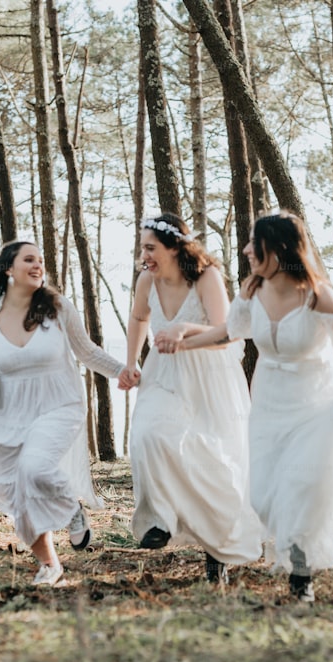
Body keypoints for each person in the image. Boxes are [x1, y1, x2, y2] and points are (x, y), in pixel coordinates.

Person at [157, 211, 333, 602]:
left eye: (254, 243)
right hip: (270, 401)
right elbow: (228, 332)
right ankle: (295, 557)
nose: (246, 250)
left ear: (278, 249)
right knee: (263, 495)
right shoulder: (252, 290)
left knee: (302, 486)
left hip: (318, 404)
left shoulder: (316, 295)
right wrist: (184, 342)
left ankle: (301, 576)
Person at [0, 241, 137, 587]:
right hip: (10, 410)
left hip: (59, 405)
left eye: (40, 260)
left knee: (35, 467)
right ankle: (49, 565)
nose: (37, 265)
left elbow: (87, 351)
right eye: (28, 259)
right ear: (8, 269)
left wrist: (123, 371)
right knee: (20, 493)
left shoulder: (57, 307)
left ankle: (71, 507)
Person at [122, 213, 262, 584]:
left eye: (150, 248)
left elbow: (230, 331)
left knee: (212, 460)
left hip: (209, 377)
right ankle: (159, 520)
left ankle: (217, 549)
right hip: (163, 373)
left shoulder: (206, 277)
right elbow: (138, 319)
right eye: (143, 248)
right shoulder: (146, 280)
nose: (145, 255)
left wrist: (184, 328)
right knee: (148, 435)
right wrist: (131, 362)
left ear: (173, 247)